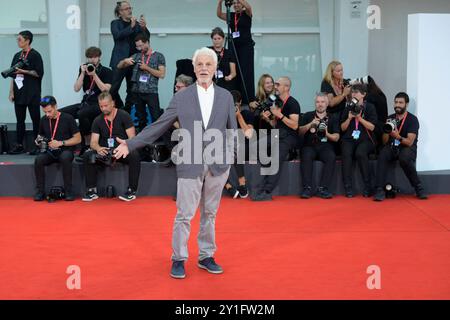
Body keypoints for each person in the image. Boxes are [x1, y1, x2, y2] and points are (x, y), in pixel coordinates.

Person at [114, 47, 237, 279]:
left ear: (215, 68)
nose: (203, 68)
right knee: (184, 214)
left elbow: (231, 129)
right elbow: (158, 125)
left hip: (218, 164)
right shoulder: (181, 97)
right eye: (199, 64)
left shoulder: (226, 97)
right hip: (190, 162)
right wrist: (130, 144)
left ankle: (206, 255)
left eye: (208, 64)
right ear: (193, 68)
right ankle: (179, 258)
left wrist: (229, 158)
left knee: (210, 213)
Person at [82, 92, 140, 202]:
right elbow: (93, 142)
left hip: (121, 151)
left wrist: (124, 145)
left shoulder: (124, 115)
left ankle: (131, 191)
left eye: (106, 105)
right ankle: (91, 190)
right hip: (105, 152)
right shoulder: (98, 120)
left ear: (112, 103)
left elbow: (132, 138)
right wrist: (99, 148)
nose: (103, 108)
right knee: (88, 155)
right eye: (101, 106)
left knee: (135, 155)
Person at [251, 77, 300, 201]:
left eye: (278, 84)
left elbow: (294, 125)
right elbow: (275, 124)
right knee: (254, 146)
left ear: (286, 87)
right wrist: (268, 118)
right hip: (277, 134)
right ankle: (262, 184)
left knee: (276, 159)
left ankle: (267, 191)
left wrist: (280, 115)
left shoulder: (293, 103)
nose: (275, 86)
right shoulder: (277, 101)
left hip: (289, 137)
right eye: (276, 84)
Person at [374, 92, 427, 201]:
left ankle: (418, 187)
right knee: (383, 154)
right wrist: (386, 131)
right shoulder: (390, 118)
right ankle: (379, 189)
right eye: (396, 102)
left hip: (407, 147)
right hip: (392, 145)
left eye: (400, 102)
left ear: (406, 104)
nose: (397, 105)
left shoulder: (412, 119)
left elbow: (409, 142)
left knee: (405, 158)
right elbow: (384, 142)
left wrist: (397, 136)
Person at [59, 47, 113, 155]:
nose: (92, 60)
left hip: (99, 103)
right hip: (86, 102)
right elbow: (76, 88)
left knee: (82, 113)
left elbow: (105, 90)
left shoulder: (107, 71)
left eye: (94, 57)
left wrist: (94, 75)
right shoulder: (83, 69)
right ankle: (75, 139)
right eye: (89, 58)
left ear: (99, 57)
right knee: (61, 114)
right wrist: (83, 73)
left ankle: (86, 143)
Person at [34, 96, 81, 201]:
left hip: (65, 150)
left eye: (49, 111)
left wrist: (61, 143)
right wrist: (38, 140)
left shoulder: (68, 118)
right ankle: (40, 192)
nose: (47, 115)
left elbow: (78, 139)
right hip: (50, 151)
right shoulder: (44, 120)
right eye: (45, 112)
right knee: (38, 160)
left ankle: (69, 191)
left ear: (56, 106)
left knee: (65, 157)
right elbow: (40, 136)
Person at [117, 33, 166, 133]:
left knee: (156, 116)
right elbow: (119, 66)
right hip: (137, 91)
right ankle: (142, 140)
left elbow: (161, 74)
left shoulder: (158, 56)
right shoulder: (137, 56)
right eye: (137, 46)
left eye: (141, 45)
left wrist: (146, 68)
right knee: (140, 118)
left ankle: (158, 139)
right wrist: (125, 61)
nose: (139, 48)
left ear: (147, 42)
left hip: (151, 91)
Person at [7, 30, 44, 155]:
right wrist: (11, 92)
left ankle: (38, 145)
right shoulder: (17, 55)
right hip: (19, 92)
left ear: (27, 40)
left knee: (35, 120)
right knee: (20, 120)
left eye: (20, 39)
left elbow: (38, 73)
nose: (18, 41)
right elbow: (13, 75)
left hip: (32, 92)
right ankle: (19, 145)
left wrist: (23, 71)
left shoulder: (35, 55)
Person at [298, 93, 340, 199]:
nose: (320, 104)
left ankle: (323, 188)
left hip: (325, 146)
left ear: (327, 104)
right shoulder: (307, 115)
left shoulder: (333, 117)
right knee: (306, 154)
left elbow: (336, 137)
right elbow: (299, 132)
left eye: (322, 102)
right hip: (310, 145)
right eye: (317, 102)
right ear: (315, 104)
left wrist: (326, 133)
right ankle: (307, 188)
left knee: (331, 156)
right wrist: (310, 124)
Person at [109, 1, 150, 109]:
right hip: (119, 60)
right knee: (114, 87)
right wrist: (131, 27)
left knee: (132, 89)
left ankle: (126, 112)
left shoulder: (136, 24)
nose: (130, 10)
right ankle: (115, 107)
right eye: (126, 9)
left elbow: (145, 39)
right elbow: (117, 36)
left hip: (134, 61)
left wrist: (144, 28)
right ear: (120, 12)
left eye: (130, 8)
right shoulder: (115, 23)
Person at [340, 84, 377, 198]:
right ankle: (348, 187)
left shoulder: (370, 107)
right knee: (346, 153)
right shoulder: (348, 107)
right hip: (349, 139)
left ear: (364, 94)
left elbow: (372, 127)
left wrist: (359, 118)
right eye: (352, 92)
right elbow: (342, 128)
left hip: (365, 139)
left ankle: (368, 186)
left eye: (356, 92)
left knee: (360, 153)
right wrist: (349, 118)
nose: (353, 94)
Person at [217, 0, 255, 105]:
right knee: (234, 71)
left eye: (238, 3)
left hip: (245, 47)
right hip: (233, 46)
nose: (236, 5)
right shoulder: (231, 15)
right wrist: (220, 2)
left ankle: (248, 100)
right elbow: (219, 14)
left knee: (245, 71)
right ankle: (236, 98)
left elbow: (248, 7)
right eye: (234, 3)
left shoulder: (247, 14)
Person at [223, 90, 254, 198]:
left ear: (240, 103)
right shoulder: (224, 114)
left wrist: (238, 116)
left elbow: (249, 134)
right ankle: (228, 186)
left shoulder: (247, 114)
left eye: (235, 104)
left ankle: (242, 184)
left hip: (245, 145)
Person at [208, 27, 237, 92]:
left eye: (219, 38)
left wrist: (230, 77)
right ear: (212, 39)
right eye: (214, 39)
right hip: (210, 83)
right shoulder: (208, 51)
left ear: (223, 39)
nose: (217, 41)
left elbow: (233, 73)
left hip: (225, 85)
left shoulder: (229, 53)